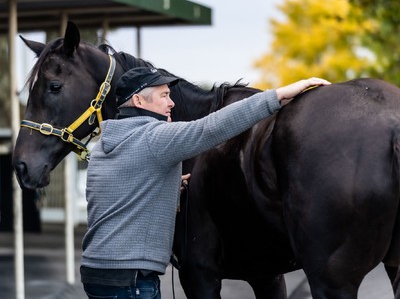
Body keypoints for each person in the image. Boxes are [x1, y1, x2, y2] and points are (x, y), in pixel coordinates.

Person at [80, 67, 330, 299]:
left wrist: (163, 186)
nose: (172, 103)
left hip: (95, 272)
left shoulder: (104, 146)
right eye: (164, 95)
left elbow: (110, 192)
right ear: (138, 101)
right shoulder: (154, 137)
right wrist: (279, 95)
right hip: (131, 280)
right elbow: (210, 129)